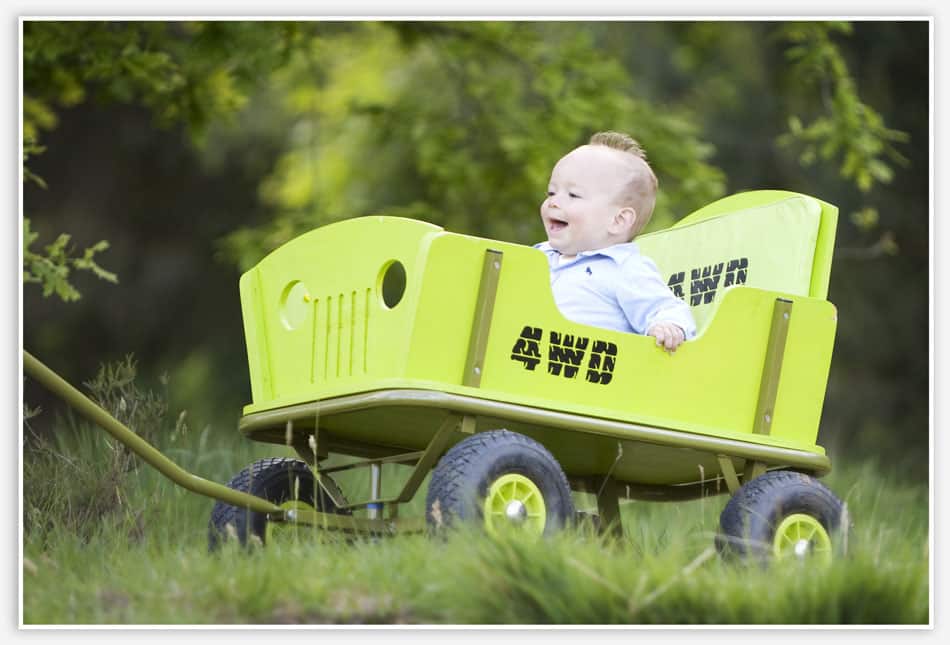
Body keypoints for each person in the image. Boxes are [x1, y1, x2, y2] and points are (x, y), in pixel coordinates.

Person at [536, 131, 695, 353]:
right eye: (551, 192)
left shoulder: (624, 269)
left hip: (584, 380)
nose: (553, 202)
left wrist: (668, 326)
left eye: (573, 195)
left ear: (618, 220)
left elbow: (665, 307)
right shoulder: (536, 257)